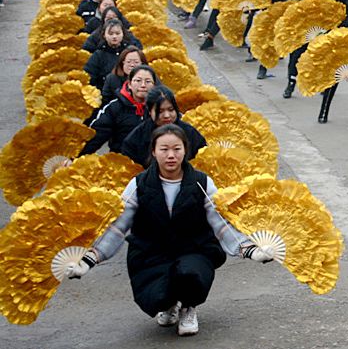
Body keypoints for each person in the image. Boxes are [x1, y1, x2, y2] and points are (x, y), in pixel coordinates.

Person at [65, 124, 273, 337]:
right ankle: (169, 304)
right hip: (152, 252)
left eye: (177, 149)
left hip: (195, 249)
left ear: (186, 150)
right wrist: (90, 259)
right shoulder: (138, 184)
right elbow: (118, 226)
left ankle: (189, 308)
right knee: (156, 296)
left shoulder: (202, 182)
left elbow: (220, 223)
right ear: (154, 151)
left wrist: (249, 249)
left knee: (189, 272)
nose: (171, 155)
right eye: (164, 150)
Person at [282, 0, 333, 98]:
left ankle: (323, 84)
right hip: (309, 22)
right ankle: (291, 82)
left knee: (323, 52)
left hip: (328, 18)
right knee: (296, 52)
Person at [80, 65, 159, 155]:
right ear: (129, 84)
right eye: (138, 80)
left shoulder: (161, 107)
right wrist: (75, 157)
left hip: (155, 162)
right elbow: (97, 134)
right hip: (123, 161)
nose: (143, 85)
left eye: (148, 81)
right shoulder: (115, 107)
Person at [120, 86, 207, 167]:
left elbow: (203, 158)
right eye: (160, 111)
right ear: (150, 111)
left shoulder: (190, 133)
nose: (167, 115)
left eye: (171, 110)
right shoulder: (135, 139)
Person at [83, 19, 136, 92]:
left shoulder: (130, 53)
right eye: (110, 34)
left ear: (123, 34)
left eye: (117, 33)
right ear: (104, 35)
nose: (114, 36)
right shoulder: (98, 55)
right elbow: (89, 76)